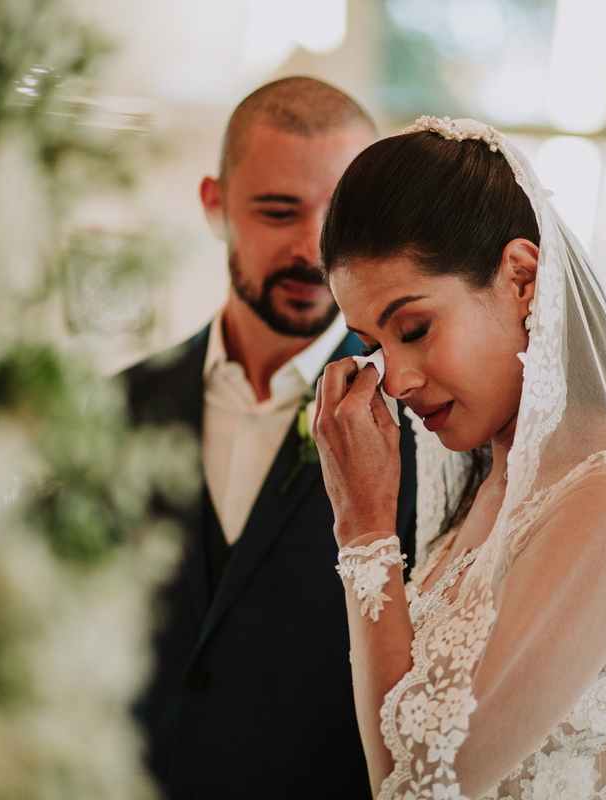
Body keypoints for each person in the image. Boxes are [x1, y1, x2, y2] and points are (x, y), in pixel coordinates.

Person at [311, 117, 606, 799]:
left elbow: (419, 788)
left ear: (520, 279)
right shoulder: (491, 492)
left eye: (415, 329)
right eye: (373, 344)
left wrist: (364, 528)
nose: (394, 381)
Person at [121, 77, 418, 799]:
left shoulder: (426, 422)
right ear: (214, 206)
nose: (314, 248)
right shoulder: (113, 410)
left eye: (340, 215)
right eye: (280, 211)